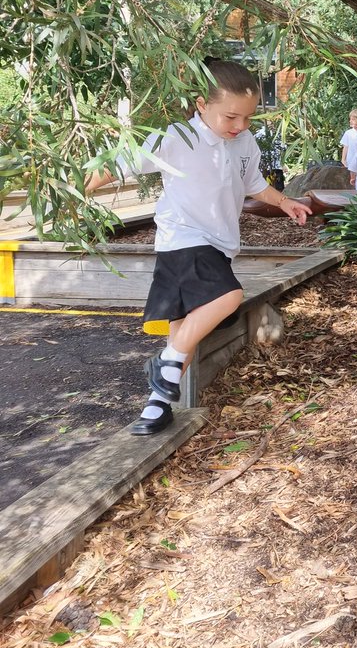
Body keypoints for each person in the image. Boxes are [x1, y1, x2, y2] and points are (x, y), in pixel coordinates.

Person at [86, 60, 312, 436]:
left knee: (183, 332)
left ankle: (155, 410)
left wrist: (285, 202)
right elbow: (118, 165)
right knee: (228, 296)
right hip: (183, 238)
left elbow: (253, 183)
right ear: (201, 105)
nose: (240, 126)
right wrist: (77, 189)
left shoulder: (244, 142)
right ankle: (163, 364)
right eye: (231, 117)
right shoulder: (176, 137)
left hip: (220, 243)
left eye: (248, 117)